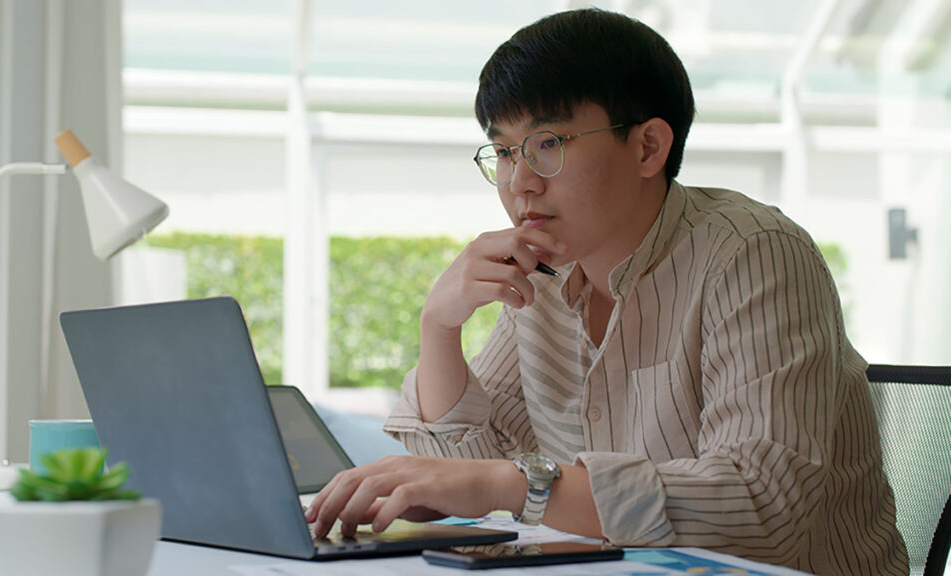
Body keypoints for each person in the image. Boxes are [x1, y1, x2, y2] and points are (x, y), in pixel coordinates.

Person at [304, 8, 909, 575]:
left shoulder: (754, 252)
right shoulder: (540, 278)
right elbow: (468, 475)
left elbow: (761, 504)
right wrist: (438, 329)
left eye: (549, 144)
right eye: (506, 150)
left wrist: (509, 485)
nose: (519, 182)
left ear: (648, 146)